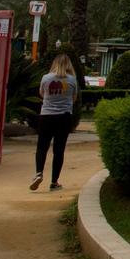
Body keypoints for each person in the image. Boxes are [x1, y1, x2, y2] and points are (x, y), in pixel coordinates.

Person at [31, 53, 81, 192]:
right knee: (59, 150)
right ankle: (54, 182)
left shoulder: (46, 78)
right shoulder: (72, 80)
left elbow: (41, 93)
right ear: (69, 65)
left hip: (46, 116)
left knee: (42, 146)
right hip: (64, 118)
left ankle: (39, 173)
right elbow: (74, 98)